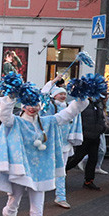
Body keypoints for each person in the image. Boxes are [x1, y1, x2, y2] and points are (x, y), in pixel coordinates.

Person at [0, 84, 89, 216]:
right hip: (20, 171)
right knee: (13, 202)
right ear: (23, 105)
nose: (32, 108)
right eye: (28, 104)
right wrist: (10, 97)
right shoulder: (15, 122)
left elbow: (69, 113)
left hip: (40, 173)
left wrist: (82, 97)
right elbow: (4, 116)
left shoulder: (48, 122)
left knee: (37, 211)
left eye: (36, 104)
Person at [40, 77, 82, 209]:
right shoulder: (48, 107)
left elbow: (76, 122)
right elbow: (44, 94)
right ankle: (35, 189)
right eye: (60, 93)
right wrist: (53, 81)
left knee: (61, 171)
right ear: (54, 95)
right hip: (49, 144)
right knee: (43, 167)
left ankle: (61, 196)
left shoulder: (70, 108)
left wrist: (72, 138)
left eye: (64, 94)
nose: (63, 96)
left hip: (63, 145)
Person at [65, 96, 106, 190]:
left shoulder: (97, 104)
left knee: (93, 158)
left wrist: (102, 128)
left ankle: (89, 181)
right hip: (85, 136)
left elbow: (101, 118)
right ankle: (63, 170)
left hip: (95, 136)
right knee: (77, 157)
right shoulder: (82, 104)